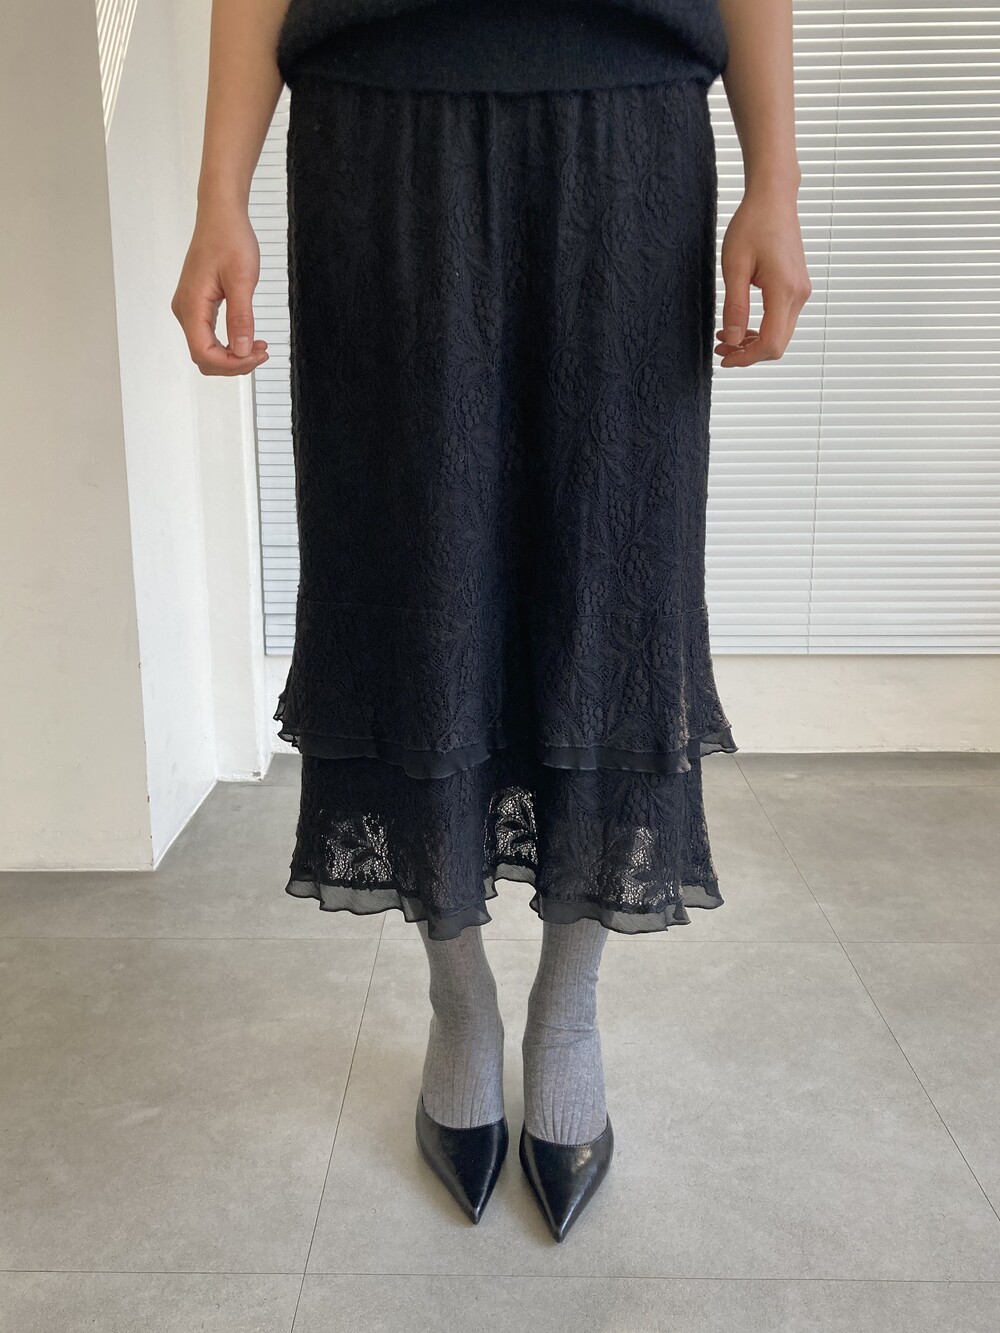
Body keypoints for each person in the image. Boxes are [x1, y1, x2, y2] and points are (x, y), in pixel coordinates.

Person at [172, 0, 810, 1242]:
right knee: (409, 577)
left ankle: (566, 1013)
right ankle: (457, 1000)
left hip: (627, 123)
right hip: (378, 135)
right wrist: (218, 194)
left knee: (612, 577)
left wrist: (774, 181)